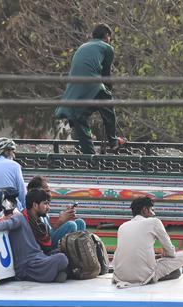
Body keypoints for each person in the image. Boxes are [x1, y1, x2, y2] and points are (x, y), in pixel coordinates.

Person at [55, 24, 125, 155]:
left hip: (74, 90)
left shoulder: (82, 47)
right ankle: (113, 141)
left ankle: (89, 157)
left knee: (79, 119)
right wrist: (109, 89)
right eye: (110, 37)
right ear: (107, 36)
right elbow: (106, 74)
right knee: (108, 105)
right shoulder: (107, 48)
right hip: (93, 84)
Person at [0, 189, 70, 283]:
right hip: (28, 266)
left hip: (40, 257)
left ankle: (57, 273)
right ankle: (57, 273)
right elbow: (7, 223)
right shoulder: (19, 217)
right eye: (45, 204)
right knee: (62, 258)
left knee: (65, 253)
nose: (48, 207)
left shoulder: (37, 222)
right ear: (35, 205)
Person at [112, 197, 183, 286]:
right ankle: (155, 276)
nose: (153, 213)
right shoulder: (154, 222)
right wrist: (165, 256)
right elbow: (171, 252)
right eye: (151, 210)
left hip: (119, 277)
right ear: (145, 210)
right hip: (145, 277)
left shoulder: (122, 226)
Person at [27, 176, 85, 246]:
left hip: (49, 239)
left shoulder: (42, 210)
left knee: (80, 222)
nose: (50, 195)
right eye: (47, 191)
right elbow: (43, 238)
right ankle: (73, 252)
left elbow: (50, 231)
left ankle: (80, 250)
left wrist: (63, 219)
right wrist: (60, 221)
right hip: (44, 246)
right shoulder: (32, 211)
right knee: (71, 225)